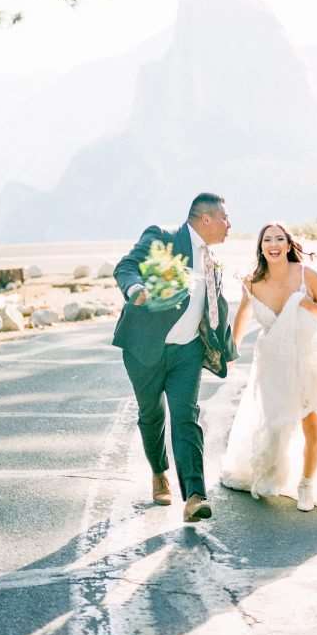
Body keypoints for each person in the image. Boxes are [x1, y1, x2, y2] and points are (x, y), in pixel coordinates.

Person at [220, 222, 317, 515]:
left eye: (279, 239)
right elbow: (242, 317)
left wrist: (302, 304)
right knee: (275, 425)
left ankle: (307, 483)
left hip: (309, 359)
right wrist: (230, 351)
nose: (273, 244)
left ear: (288, 246)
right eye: (267, 240)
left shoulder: (306, 275)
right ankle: (269, 474)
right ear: (261, 248)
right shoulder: (252, 282)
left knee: (312, 424)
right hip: (272, 365)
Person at [112, 193, 238, 522]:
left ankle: (195, 495)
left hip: (188, 352)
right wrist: (135, 289)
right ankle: (158, 471)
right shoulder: (164, 238)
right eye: (226, 218)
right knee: (151, 414)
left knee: (186, 417)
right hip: (145, 348)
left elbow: (211, 306)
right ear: (206, 219)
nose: (230, 225)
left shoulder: (210, 258)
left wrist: (222, 347)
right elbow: (126, 266)